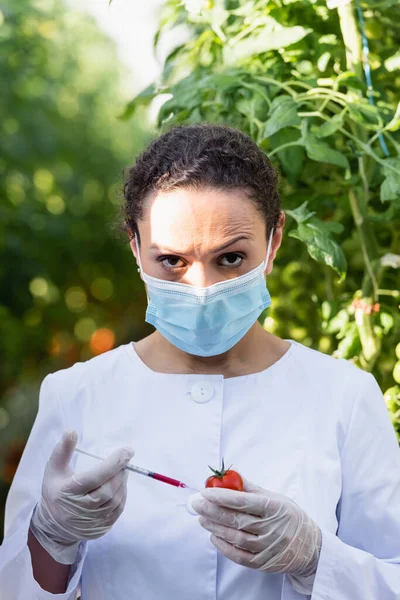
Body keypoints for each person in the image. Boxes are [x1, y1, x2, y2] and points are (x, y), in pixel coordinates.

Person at [1, 123, 400, 600]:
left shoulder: (344, 396)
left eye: (230, 258)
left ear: (273, 243)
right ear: (135, 247)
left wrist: (318, 560)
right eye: (172, 260)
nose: (203, 289)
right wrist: (52, 536)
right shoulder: (76, 395)